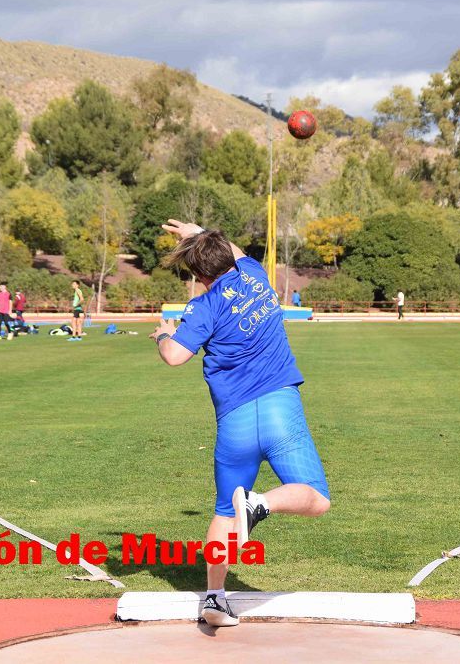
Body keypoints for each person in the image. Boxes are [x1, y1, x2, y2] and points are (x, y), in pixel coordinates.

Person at [149, 219, 330, 628]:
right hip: (281, 407)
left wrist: (163, 334)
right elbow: (236, 253)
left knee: (222, 511)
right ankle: (261, 503)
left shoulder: (201, 307)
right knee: (316, 499)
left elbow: (175, 355)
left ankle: (214, 598)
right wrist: (201, 232)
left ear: (198, 276)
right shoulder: (256, 275)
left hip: (235, 421)